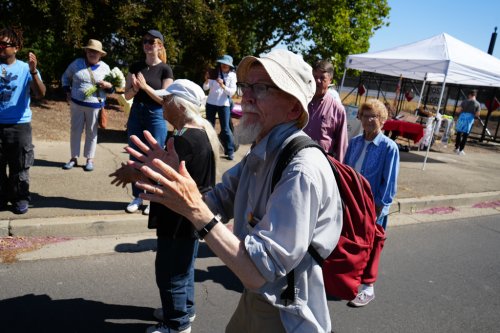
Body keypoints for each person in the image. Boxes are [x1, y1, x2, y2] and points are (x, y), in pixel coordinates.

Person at [128, 49, 343, 332]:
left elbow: (257, 271)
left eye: (262, 88)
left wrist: (194, 207)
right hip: (257, 298)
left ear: (293, 109)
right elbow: (216, 200)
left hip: (287, 314)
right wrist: (175, 181)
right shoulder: (263, 150)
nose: (247, 97)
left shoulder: (301, 170)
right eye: (247, 86)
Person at [110, 79, 219, 333]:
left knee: (170, 272)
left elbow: (168, 179)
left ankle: (176, 324)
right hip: (189, 218)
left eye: (167, 99)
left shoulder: (184, 139)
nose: (162, 103)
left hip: (177, 218)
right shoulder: (197, 133)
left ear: (180, 106)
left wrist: (134, 174)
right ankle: (182, 310)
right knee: (183, 267)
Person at [343, 99, 399, 307]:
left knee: (372, 245)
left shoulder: (389, 147)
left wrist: (378, 212)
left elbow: (389, 184)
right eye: (364, 115)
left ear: (382, 120)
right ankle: (347, 281)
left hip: (371, 207)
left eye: (373, 116)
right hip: (351, 203)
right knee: (349, 242)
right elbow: (346, 171)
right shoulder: (355, 142)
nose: (368, 120)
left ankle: (368, 289)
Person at [123, 29, 174, 215]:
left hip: (156, 115)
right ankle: (138, 196)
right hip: (137, 113)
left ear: (159, 45)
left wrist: (145, 87)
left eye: (151, 41)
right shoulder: (136, 67)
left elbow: (165, 99)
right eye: (145, 41)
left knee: (156, 156)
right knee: (135, 155)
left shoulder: (165, 69)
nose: (147, 44)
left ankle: (153, 197)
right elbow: (126, 94)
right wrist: (136, 90)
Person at [0, 27, 46, 214]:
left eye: (4, 44)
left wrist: (34, 72)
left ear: (16, 47)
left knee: (20, 165)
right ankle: (2, 197)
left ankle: (20, 197)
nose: (1, 47)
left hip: (20, 125)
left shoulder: (25, 69)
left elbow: (41, 93)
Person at [61, 39, 113, 172]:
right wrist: (67, 91)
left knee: (92, 132)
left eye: (96, 52)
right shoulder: (76, 64)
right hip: (76, 104)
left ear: (100, 54)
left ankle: (90, 159)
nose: (92, 53)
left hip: (95, 105)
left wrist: (108, 86)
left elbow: (112, 88)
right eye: (90, 50)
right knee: (75, 130)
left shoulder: (105, 68)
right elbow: (65, 77)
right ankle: (73, 158)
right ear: (86, 51)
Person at [304, 59, 348, 162]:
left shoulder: (338, 110)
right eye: (315, 77)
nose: (317, 81)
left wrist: (338, 173)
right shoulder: (301, 102)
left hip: (321, 164)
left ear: (330, 80)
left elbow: (341, 146)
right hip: (296, 158)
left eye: (322, 78)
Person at [203, 54, 237, 160]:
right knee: (209, 127)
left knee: (225, 129)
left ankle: (230, 151)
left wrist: (223, 85)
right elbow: (205, 88)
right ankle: (210, 150)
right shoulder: (214, 72)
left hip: (224, 104)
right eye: (222, 63)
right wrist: (207, 80)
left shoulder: (232, 75)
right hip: (211, 103)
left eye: (226, 64)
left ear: (230, 66)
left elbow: (231, 93)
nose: (224, 66)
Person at [454, 89, 480, 156]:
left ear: (469, 95)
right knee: (465, 135)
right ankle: (461, 150)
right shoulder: (477, 104)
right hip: (469, 119)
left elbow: (458, 110)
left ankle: (457, 148)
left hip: (462, 117)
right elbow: (477, 114)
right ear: (475, 95)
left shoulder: (464, 101)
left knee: (459, 133)